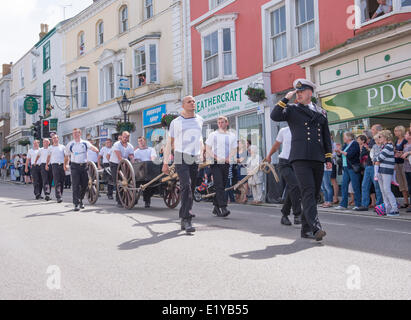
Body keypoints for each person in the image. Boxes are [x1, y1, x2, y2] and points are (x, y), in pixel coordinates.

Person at [271, 78, 332, 241]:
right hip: (300, 157)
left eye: (300, 92)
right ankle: (315, 227)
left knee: (313, 194)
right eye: (296, 92)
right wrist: (285, 98)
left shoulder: (321, 111)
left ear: (309, 93)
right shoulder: (291, 109)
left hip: (318, 157)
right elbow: (275, 115)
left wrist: (328, 156)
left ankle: (305, 230)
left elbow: (326, 135)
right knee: (308, 191)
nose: (297, 95)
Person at [162, 96, 204, 234]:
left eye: (194, 101)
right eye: (189, 102)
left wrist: (202, 154)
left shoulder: (199, 119)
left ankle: (184, 217)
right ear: (183, 105)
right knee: (186, 186)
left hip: (194, 157)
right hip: (180, 156)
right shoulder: (176, 122)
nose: (193, 103)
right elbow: (169, 143)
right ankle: (187, 218)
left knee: (191, 187)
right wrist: (165, 163)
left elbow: (200, 139)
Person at [265, 126, 302, 225]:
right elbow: (276, 146)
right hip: (284, 163)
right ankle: (297, 214)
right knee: (294, 186)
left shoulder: (302, 129)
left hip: (297, 163)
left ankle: (284, 214)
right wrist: (269, 156)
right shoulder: (284, 130)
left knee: (292, 188)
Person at [205, 116, 237, 217]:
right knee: (218, 184)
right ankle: (223, 208)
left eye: (222, 122)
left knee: (222, 185)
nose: (220, 124)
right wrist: (216, 157)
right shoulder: (213, 135)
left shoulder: (232, 135)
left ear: (226, 123)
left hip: (226, 163)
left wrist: (228, 157)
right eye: (218, 122)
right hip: (215, 162)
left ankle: (215, 207)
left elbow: (233, 149)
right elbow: (208, 148)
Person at [64, 128, 99, 211]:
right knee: (75, 185)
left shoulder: (85, 143)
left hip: (83, 166)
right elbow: (66, 156)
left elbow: (93, 148)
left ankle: (80, 199)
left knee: (85, 184)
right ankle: (76, 203)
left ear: (80, 134)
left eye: (77, 133)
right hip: (74, 166)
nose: (75, 135)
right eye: (74, 133)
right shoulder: (70, 144)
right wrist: (65, 164)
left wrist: (96, 149)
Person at [356, 125, 383, 211]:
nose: (371, 130)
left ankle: (379, 205)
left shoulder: (380, 139)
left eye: (373, 129)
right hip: (368, 165)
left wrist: (368, 149)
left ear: (378, 130)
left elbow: (377, 151)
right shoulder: (372, 140)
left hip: (375, 165)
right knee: (365, 185)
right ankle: (365, 204)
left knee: (377, 186)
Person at [335, 132, 361, 210]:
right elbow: (341, 155)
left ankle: (358, 204)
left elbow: (350, 154)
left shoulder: (355, 144)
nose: (343, 138)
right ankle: (343, 204)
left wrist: (341, 151)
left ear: (349, 137)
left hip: (352, 167)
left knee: (355, 186)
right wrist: (338, 151)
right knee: (344, 186)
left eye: (344, 137)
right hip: (345, 167)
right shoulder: (346, 145)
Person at [375, 130, 399, 216]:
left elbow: (379, 157)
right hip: (382, 170)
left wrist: (376, 159)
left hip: (387, 170)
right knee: (383, 190)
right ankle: (387, 208)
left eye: (380, 137)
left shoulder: (388, 146)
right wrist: (376, 159)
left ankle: (395, 208)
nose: (379, 138)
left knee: (387, 189)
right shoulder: (383, 146)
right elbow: (376, 157)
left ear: (385, 137)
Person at [110, 131, 135, 208]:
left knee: (127, 181)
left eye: (127, 137)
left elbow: (131, 156)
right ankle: (119, 200)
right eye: (124, 137)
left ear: (128, 138)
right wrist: (125, 164)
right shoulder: (116, 144)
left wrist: (133, 163)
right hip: (115, 163)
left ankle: (128, 199)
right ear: (121, 136)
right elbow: (119, 157)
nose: (125, 138)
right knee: (118, 181)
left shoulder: (130, 146)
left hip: (125, 164)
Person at [134, 136, 157, 208]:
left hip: (150, 168)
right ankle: (145, 200)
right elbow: (136, 161)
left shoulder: (151, 149)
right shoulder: (136, 152)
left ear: (145, 141)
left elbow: (153, 157)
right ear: (138, 143)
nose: (141, 142)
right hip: (140, 170)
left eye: (142, 140)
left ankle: (148, 200)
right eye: (139, 141)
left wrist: (150, 162)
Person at [46, 135, 66, 203]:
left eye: (55, 138)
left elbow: (66, 156)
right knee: (57, 181)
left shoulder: (62, 147)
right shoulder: (50, 148)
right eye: (53, 138)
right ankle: (58, 196)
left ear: (58, 138)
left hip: (62, 164)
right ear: (52, 140)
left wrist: (67, 164)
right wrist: (46, 164)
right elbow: (48, 157)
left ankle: (60, 194)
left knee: (62, 181)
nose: (54, 139)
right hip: (54, 165)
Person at [393, 126, 409, 209]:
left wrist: (400, 153)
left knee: (406, 182)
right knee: (401, 183)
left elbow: (405, 151)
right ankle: (406, 201)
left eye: (396, 131)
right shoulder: (396, 141)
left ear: (401, 131)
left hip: (404, 163)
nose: (395, 132)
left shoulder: (405, 140)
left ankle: (408, 201)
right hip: (397, 163)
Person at [401, 130, 411, 213]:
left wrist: (407, 153)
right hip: (406, 167)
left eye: (407, 134)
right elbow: (405, 155)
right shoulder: (406, 144)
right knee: (409, 186)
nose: (405, 135)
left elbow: (407, 155)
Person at [236, 139, 249, 203]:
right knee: (239, 183)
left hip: (243, 168)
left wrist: (236, 159)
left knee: (244, 183)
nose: (238, 144)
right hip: (238, 168)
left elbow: (241, 160)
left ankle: (245, 197)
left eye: (240, 143)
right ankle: (241, 197)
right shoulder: (237, 151)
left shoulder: (245, 151)